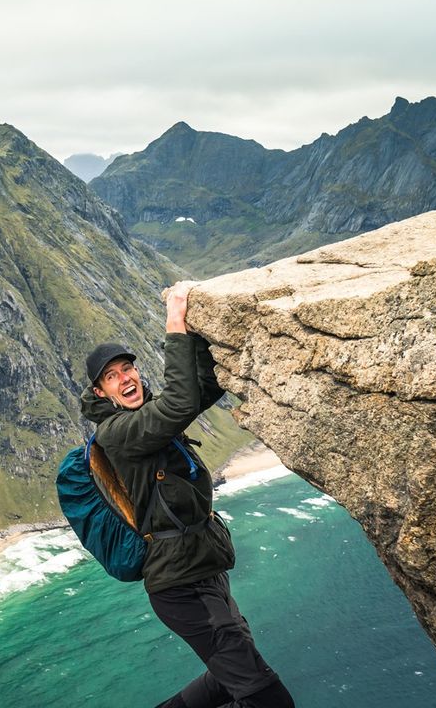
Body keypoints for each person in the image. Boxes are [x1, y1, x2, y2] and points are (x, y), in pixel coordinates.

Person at [80, 280, 295, 708]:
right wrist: (175, 321)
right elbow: (179, 404)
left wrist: (199, 333)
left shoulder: (145, 418)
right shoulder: (120, 432)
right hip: (181, 586)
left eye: (128, 369)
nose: (125, 378)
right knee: (269, 701)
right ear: (100, 392)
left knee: (227, 678)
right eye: (112, 376)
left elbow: (199, 391)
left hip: (203, 571)